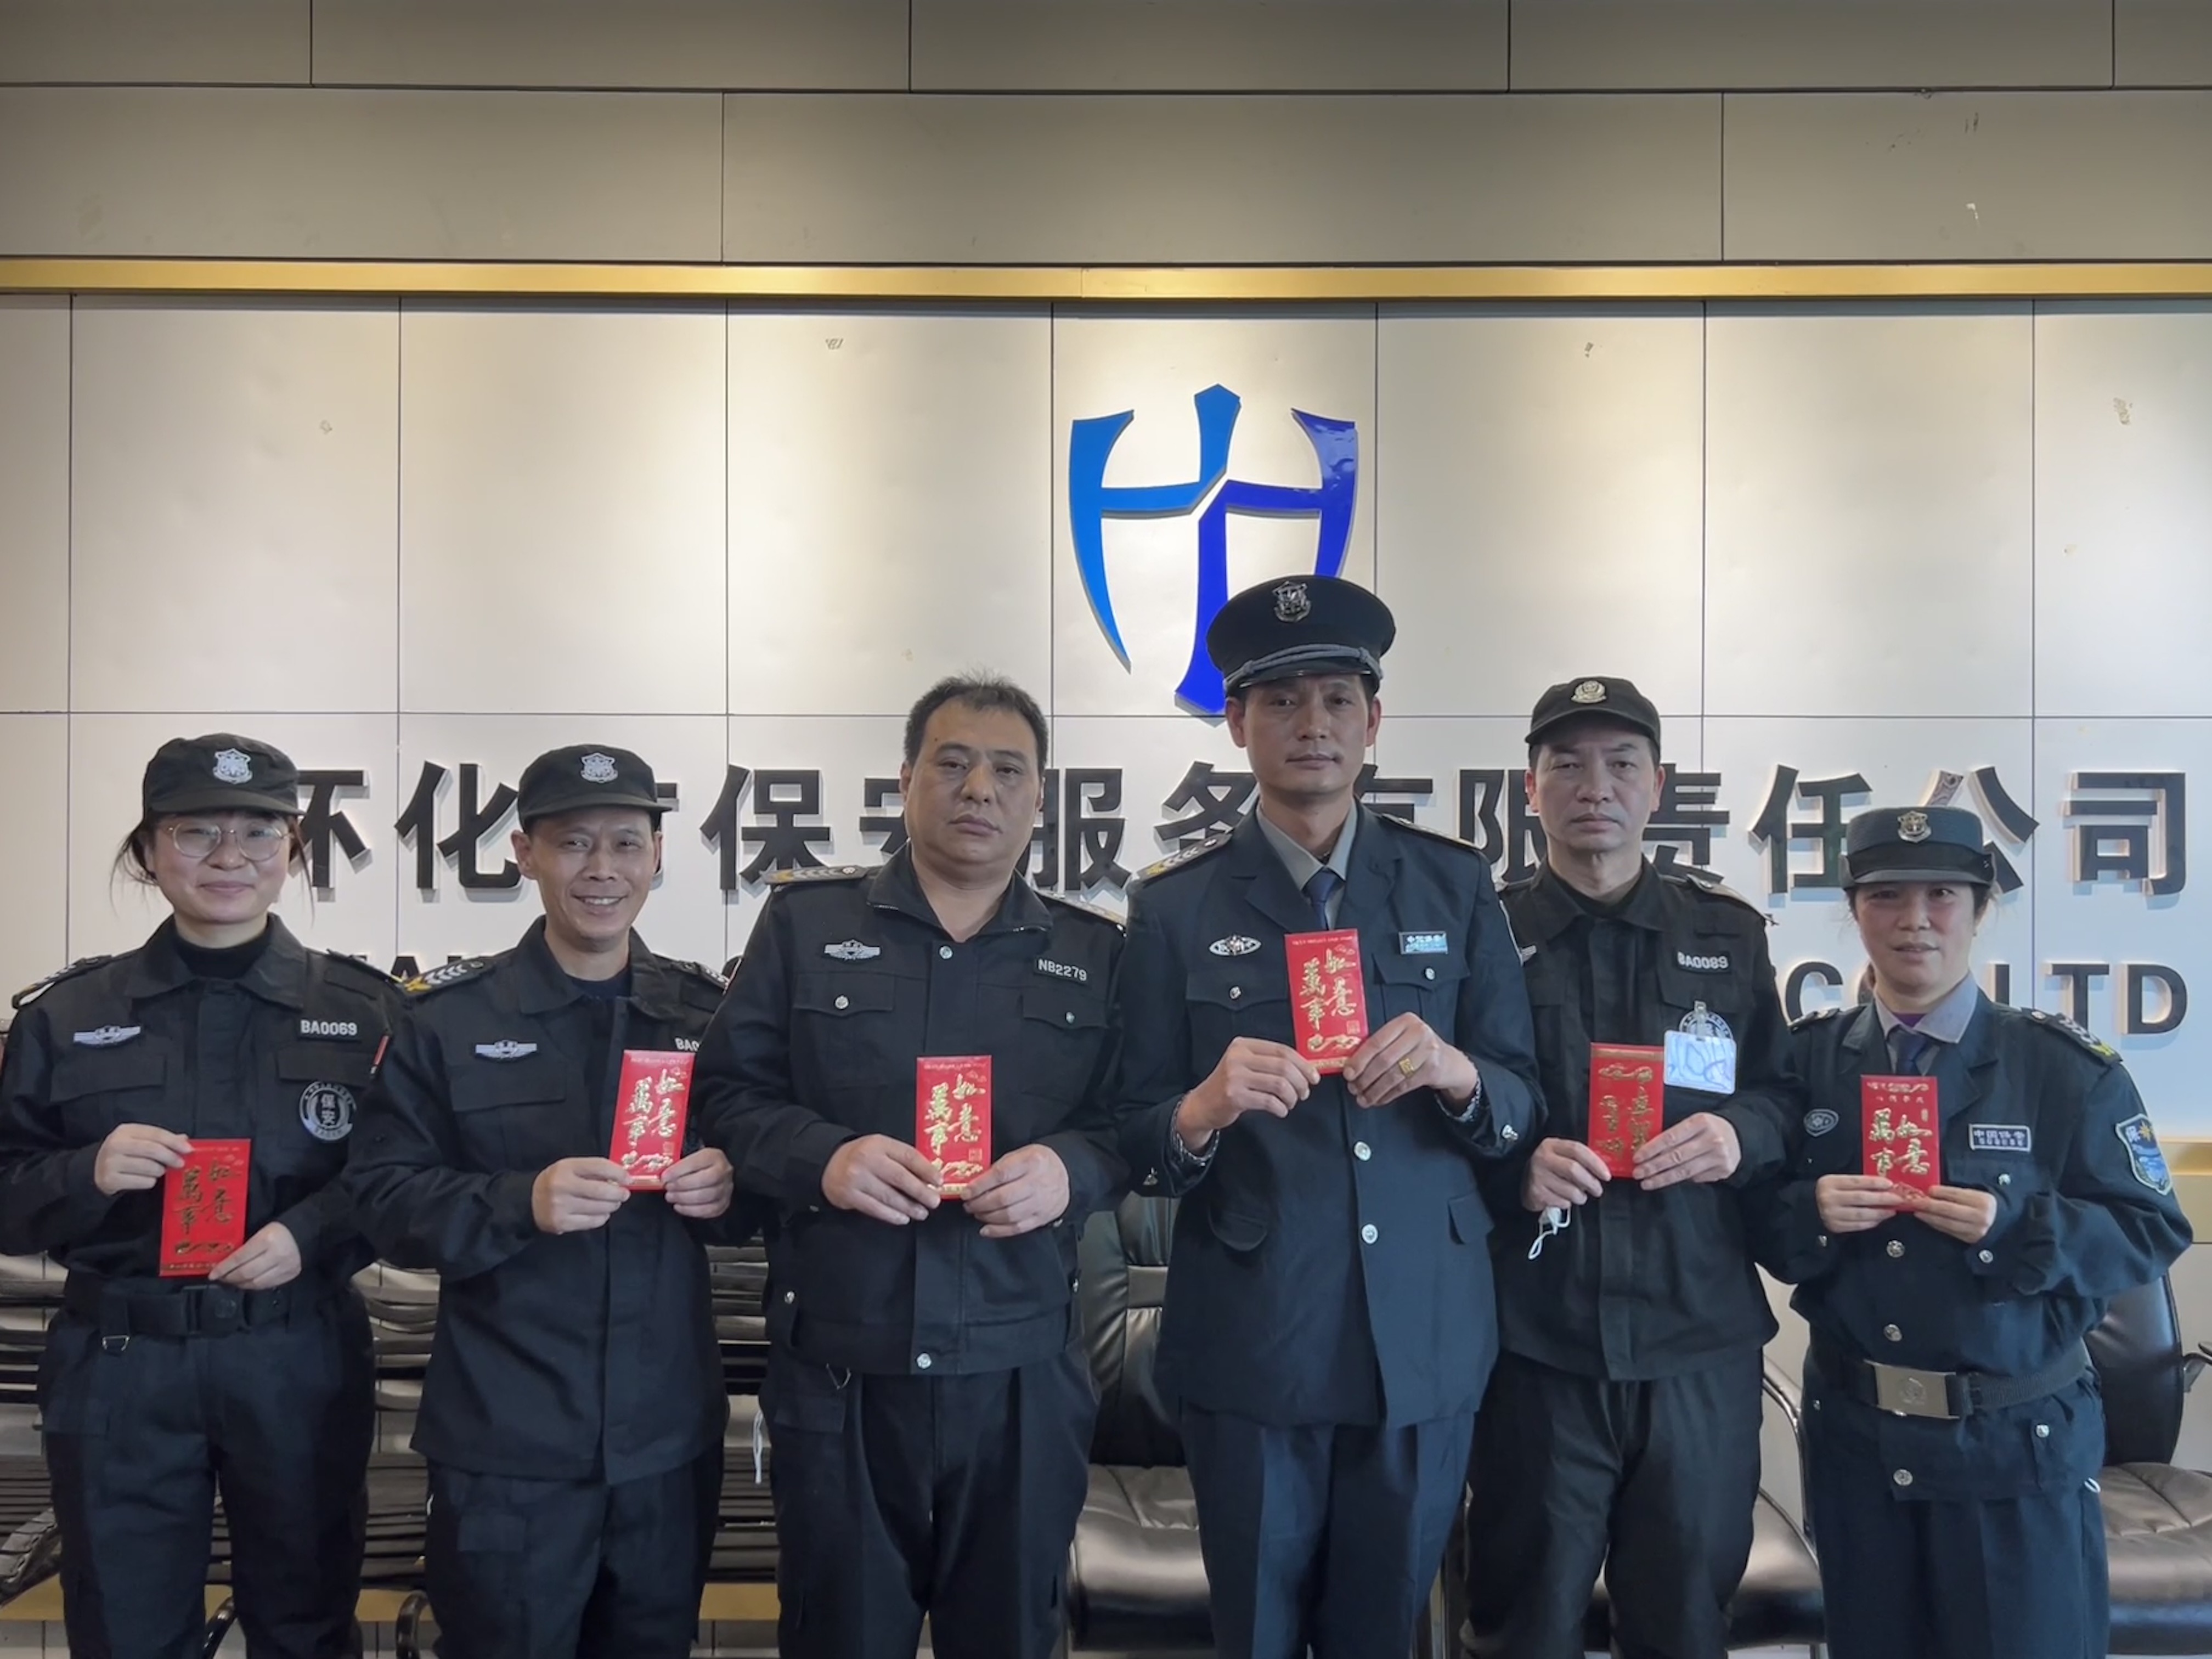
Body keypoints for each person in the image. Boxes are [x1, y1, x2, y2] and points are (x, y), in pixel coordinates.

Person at [1115, 575, 1545, 1659]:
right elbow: (1128, 1130)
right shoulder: (1174, 908)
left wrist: (1456, 1073)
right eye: (1281, 700)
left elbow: (1521, 1095)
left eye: (1337, 700)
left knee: (1384, 1633)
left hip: (1424, 1336)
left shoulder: (1453, 886)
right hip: (1256, 1338)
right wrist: (1203, 1108)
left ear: (1374, 721)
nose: (1312, 723)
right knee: (1256, 1635)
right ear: (1236, 723)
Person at [694, 674, 1125, 1659]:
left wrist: (1069, 1169)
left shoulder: (1095, 952)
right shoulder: (806, 926)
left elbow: (1129, 1123)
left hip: (1020, 1377)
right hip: (845, 1368)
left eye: (1007, 771)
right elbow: (726, 1095)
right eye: (953, 763)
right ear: (905, 780)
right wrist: (824, 1159)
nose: (979, 789)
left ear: (1040, 798)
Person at [1751, 805, 2192, 1659]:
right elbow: (1749, 1219)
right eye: (1886, 897)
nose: (1915, 920)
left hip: (2013, 1451)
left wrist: (2016, 1228)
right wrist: (1810, 1213)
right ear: (1855, 911)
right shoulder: (1806, 1063)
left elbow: (2149, 1230)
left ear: (1982, 909)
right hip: (1860, 1450)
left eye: (1943, 895)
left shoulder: (2059, 1070)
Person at [0, 733, 400, 1659]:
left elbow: (403, 1179)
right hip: (121, 1359)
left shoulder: (367, 1011)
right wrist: (83, 1173)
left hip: (296, 1355)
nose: (230, 857)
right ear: (149, 849)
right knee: (126, 1630)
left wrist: (311, 1233)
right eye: (197, 832)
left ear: (293, 849)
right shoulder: (67, 1015)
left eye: (259, 832)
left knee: (305, 1624)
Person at [344, 744, 743, 1659]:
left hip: (664, 1445)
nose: (602, 870)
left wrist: (731, 1187)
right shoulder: (448, 1020)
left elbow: (770, 1182)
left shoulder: (708, 1018)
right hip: (505, 1447)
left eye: (626, 843)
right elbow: (382, 1199)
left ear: (657, 855)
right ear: (526, 853)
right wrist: (520, 1200)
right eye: (573, 843)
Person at [1464, 677, 1800, 1659]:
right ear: (1531, 789)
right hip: (1536, 1340)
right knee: (1524, 1622)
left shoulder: (1725, 934)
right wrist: (1513, 1170)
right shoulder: (1486, 937)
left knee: (1685, 1621)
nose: (1594, 786)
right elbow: (1438, 1113)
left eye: (1621, 764)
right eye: (1567, 765)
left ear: (1657, 787)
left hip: (1696, 1336)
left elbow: (1786, 1095)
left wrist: (1739, 1134)